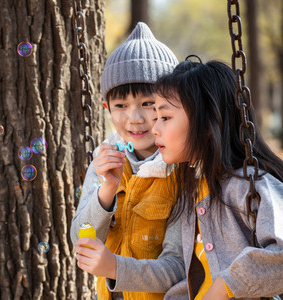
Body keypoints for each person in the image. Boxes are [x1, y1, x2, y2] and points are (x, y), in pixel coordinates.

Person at [76, 57, 283, 299]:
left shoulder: (250, 184)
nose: (154, 128)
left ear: (206, 124)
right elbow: (188, 278)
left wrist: (225, 287)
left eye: (164, 117)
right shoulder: (193, 188)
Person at [70, 22, 184, 300]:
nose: (135, 118)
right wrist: (105, 192)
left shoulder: (183, 168)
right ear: (106, 108)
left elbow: (179, 267)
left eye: (148, 104)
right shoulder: (106, 159)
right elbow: (81, 238)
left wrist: (114, 267)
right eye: (121, 106)